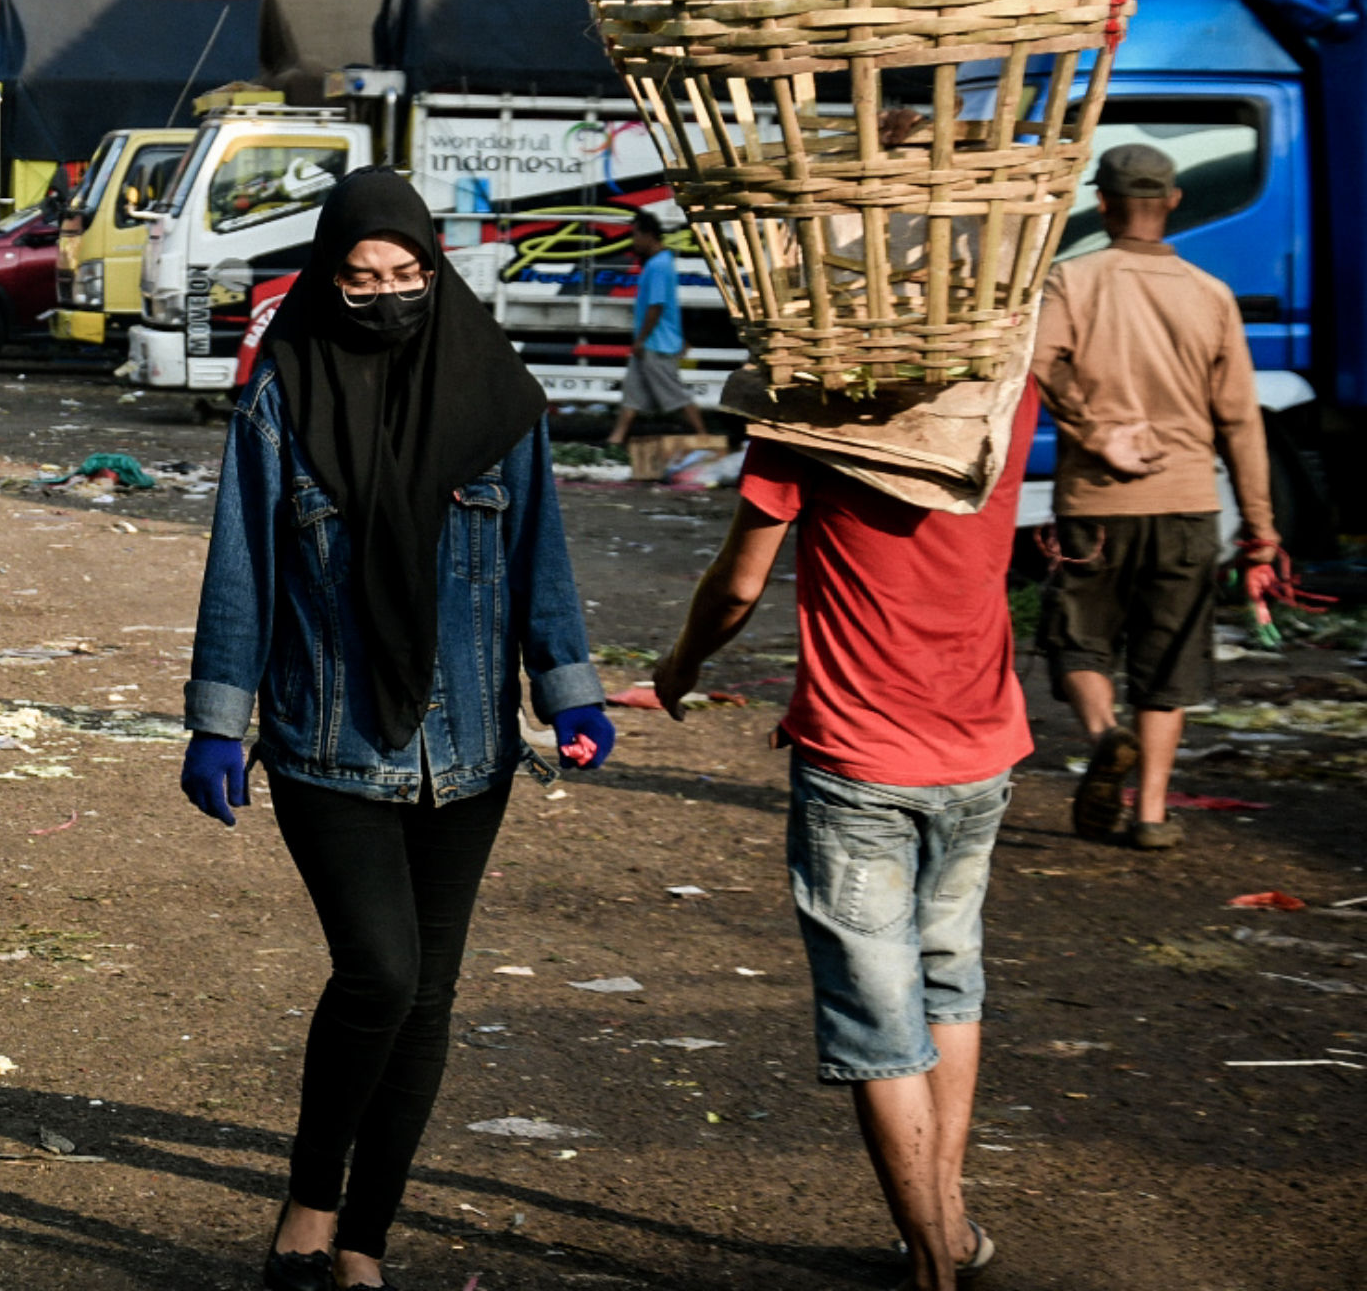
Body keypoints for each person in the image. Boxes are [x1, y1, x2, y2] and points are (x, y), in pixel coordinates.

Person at [180, 171, 612, 1291]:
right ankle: (310, 1200)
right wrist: (219, 720)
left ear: (436, 270)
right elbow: (244, 564)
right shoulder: (284, 394)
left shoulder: (496, 401)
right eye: (360, 277)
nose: (385, 296)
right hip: (329, 742)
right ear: (326, 277)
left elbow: (538, 561)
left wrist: (570, 692)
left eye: (407, 276)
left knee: (430, 995)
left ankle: (365, 1242)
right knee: (378, 970)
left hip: (469, 751)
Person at [653, 382, 1039, 1291]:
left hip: (861, 758)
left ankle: (933, 1264)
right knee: (950, 979)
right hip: (983, 744)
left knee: (879, 1015)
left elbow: (740, 583)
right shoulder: (1004, 393)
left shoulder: (811, 412)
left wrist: (681, 663)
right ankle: (944, 1223)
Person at [1028, 142, 1278, 850]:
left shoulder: (1070, 282)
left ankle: (1106, 736)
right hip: (1188, 503)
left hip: (1095, 507)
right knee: (1168, 663)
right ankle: (1152, 814)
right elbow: (1240, 420)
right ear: (1173, 202)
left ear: (1101, 203)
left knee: (1078, 641)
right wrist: (1261, 527)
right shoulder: (1210, 294)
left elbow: (1036, 363)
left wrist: (1094, 428)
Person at [607, 209, 707, 446]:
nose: (633, 241)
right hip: (653, 343)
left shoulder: (659, 266)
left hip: (656, 343)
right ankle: (616, 439)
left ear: (647, 235)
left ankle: (703, 436)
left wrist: (641, 340)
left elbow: (656, 306)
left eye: (635, 235)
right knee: (632, 395)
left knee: (675, 395)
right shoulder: (659, 263)